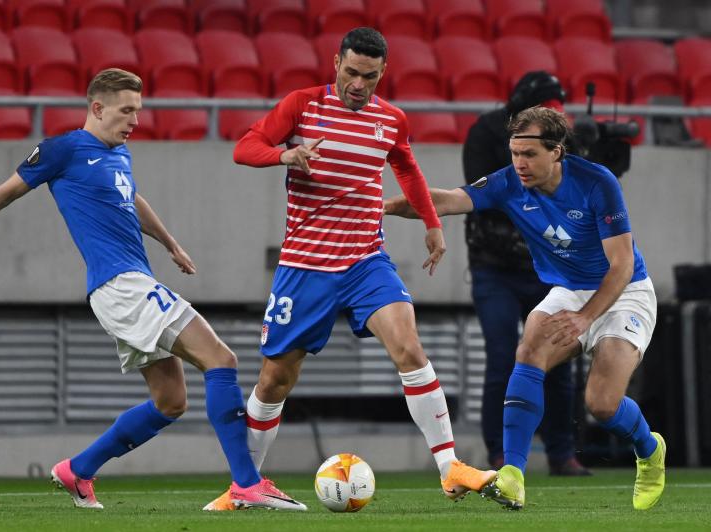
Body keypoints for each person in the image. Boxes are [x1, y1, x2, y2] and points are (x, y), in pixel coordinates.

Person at [0, 68, 305, 512]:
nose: (134, 120)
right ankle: (246, 483)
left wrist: (171, 244)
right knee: (221, 359)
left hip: (128, 284)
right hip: (120, 285)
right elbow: (4, 193)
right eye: (127, 111)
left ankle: (79, 469)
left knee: (170, 401)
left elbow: (132, 198)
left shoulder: (117, 153)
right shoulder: (62, 150)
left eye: (138, 111)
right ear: (97, 108)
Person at [203, 27, 495, 511]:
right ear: (336, 62)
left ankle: (449, 468)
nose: (358, 84)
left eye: (370, 77)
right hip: (305, 266)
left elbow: (407, 169)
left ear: (384, 74)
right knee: (275, 379)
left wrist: (431, 223)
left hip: (365, 261)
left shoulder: (391, 120)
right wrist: (286, 154)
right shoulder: (301, 105)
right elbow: (244, 148)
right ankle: (244, 487)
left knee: (408, 347)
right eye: (352, 72)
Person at [385, 106, 666, 511]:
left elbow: (620, 265)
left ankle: (649, 449)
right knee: (530, 346)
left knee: (602, 404)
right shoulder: (507, 183)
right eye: (515, 153)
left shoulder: (596, 182)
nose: (520, 163)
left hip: (624, 292)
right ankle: (513, 475)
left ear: (557, 151)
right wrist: (388, 207)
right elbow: (445, 201)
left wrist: (586, 318)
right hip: (569, 290)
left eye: (530, 154)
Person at [463, 71, 589, 476]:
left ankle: (561, 453)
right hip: (494, 267)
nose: (558, 116)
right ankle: (500, 454)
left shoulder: (560, 142)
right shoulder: (485, 132)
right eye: (550, 107)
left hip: (547, 267)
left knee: (561, 355)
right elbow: (482, 198)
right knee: (502, 356)